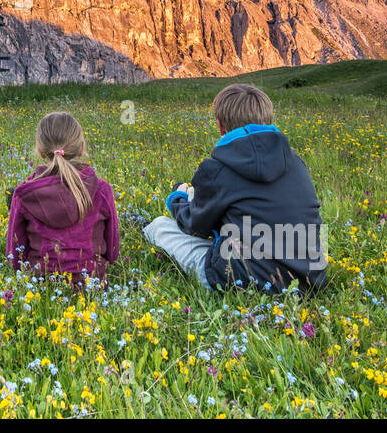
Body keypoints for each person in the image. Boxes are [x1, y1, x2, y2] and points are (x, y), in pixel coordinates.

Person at [140, 83, 326, 294]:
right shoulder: (296, 164)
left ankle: (143, 226)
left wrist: (177, 198)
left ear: (221, 126)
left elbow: (195, 227)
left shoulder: (217, 169)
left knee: (160, 226)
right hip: (309, 280)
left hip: (243, 281)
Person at [6, 111, 120, 283]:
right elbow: (112, 250)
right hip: (92, 283)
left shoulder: (24, 194)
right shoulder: (102, 190)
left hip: (40, 287)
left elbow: (14, 255)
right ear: (81, 148)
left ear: (41, 152)